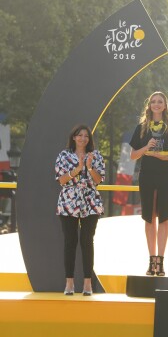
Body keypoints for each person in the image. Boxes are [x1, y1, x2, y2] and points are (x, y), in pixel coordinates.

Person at [130, 91, 168, 276]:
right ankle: (151, 260)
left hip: (166, 175)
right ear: (149, 105)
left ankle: (161, 261)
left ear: (165, 105)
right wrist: (147, 147)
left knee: (163, 217)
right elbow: (132, 156)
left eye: (160, 101)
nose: (156, 104)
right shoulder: (141, 128)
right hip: (146, 175)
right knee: (149, 217)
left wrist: (164, 157)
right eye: (153, 101)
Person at [55, 124, 105, 296]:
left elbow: (98, 180)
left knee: (87, 241)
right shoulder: (64, 155)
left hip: (91, 201)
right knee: (70, 242)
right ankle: (69, 283)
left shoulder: (96, 155)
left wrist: (89, 167)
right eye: (79, 135)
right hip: (68, 200)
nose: (83, 138)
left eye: (86, 136)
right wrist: (77, 169)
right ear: (74, 137)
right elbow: (61, 180)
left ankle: (87, 284)